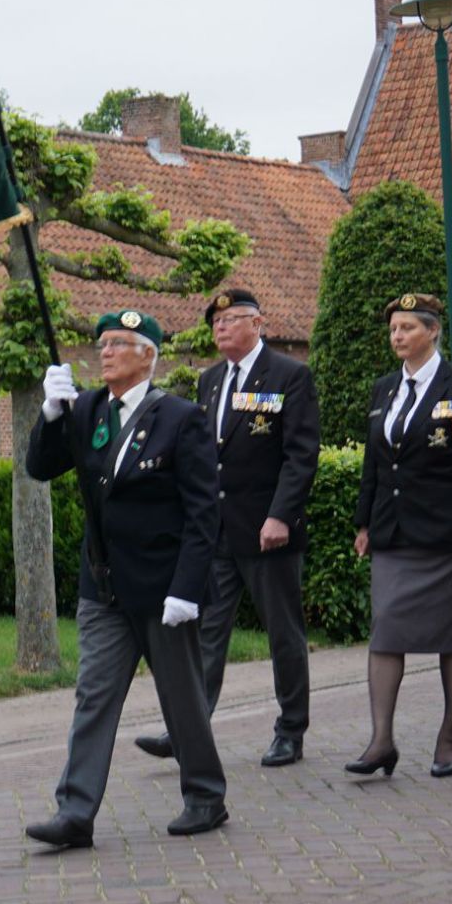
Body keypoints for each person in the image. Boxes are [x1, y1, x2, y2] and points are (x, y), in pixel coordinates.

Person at [25, 310, 227, 847]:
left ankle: (206, 795)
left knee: (181, 698)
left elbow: (204, 513)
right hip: (105, 587)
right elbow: (41, 467)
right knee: (94, 695)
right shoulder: (87, 408)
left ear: (148, 356)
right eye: (103, 342)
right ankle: (75, 812)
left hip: (164, 589)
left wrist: (187, 589)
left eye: (119, 343)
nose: (105, 351)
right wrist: (50, 413)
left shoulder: (181, 418)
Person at [133, 289, 320, 767]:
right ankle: (188, 729)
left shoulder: (289, 376)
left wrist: (280, 515)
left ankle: (290, 730)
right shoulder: (211, 381)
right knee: (203, 633)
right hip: (217, 533)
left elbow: (300, 455)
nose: (220, 328)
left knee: (283, 633)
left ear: (259, 323)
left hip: (267, 531)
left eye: (231, 319)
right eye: (215, 321)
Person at [349, 293, 452, 779]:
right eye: (393, 329)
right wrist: (364, 521)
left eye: (408, 328)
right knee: (386, 631)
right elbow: (374, 461)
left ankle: (449, 737)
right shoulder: (384, 389)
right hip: (394, 532)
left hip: (447, 536)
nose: (397, 336)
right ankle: (380, 740)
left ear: (433, 331)